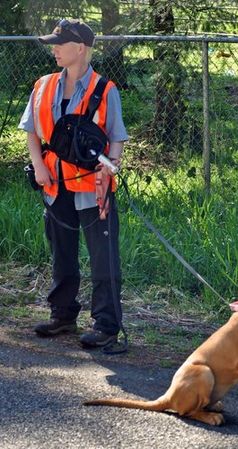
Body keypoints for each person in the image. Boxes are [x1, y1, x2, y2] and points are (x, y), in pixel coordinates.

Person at [19, 19, 129, 349]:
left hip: (92, 186)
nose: (53, 49)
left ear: (79, 48)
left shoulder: (105, 90)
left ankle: (106, 325)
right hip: (53, 182)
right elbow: (32, 131)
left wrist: (108, 172)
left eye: (59, 43)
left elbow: (116, 138)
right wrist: (39, 166)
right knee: (61, 251)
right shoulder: (43, 85)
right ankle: (62, 315)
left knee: (102, 255)